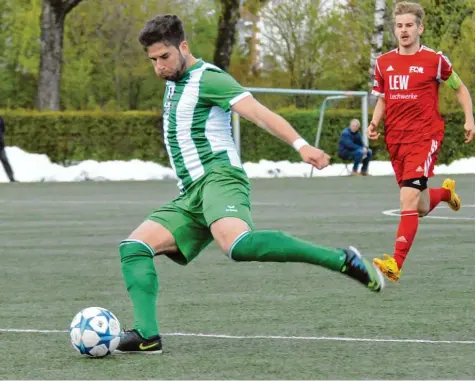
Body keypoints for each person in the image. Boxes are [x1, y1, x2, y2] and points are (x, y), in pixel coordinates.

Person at [116, 14, 385, 354]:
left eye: (164, 57)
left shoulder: (209, 78)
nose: (159, 67)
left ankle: (341, 259)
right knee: (133, 248)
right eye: (153, 60)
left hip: (220, 179)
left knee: (237, 246)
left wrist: (302, 146)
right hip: (190, 195)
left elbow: (259, 113)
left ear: (183, 47)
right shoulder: (173, 82)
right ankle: (147, 335)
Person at [368, 1, 475, 282]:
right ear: (395, 29)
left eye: (409, 25)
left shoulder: (435, 61)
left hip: (425, 137)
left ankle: (395, 263)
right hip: (396, 140)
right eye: (399, 26)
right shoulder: (383, 63)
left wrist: (469, 118)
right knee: (422, 207)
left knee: (408, 197)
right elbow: (382, 97)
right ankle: (446, 194)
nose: (404, 30)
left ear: (420, 28)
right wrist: (374, 123)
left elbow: (460, 88)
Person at [0, 116, 16, 183]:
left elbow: (3, 130)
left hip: (0, 145)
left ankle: (11, 178)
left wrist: (2, 139)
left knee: (5, 160)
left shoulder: (1, 119)